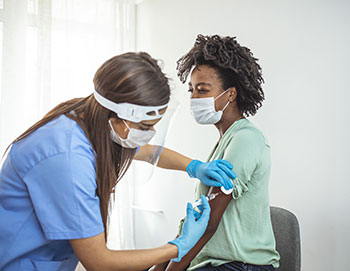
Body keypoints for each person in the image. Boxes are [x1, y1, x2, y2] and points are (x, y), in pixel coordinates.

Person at [0, 52, 237, 271]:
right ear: (119, 117)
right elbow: (99, 261)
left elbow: (146, 151)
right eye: (145, 127)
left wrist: (194, 167)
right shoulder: (67, 159)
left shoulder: (89, 118)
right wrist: (178, 246)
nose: (149, 133)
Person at [151, 35, 280, 271]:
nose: (193, 98)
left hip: (241, 265)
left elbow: (208, 222)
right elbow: (193, 224)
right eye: (191, 90)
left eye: (202, 90)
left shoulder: (246, 139)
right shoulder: (223, 143)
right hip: (213, 263)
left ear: (230, 94)